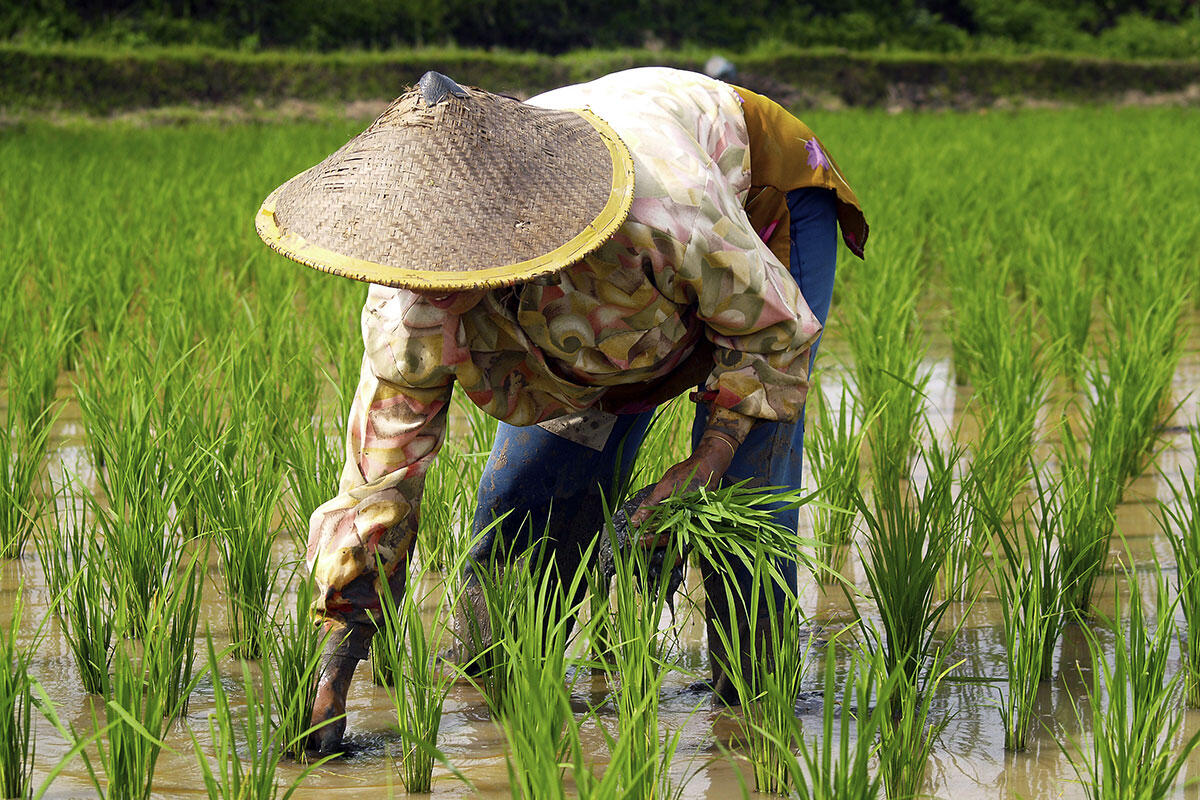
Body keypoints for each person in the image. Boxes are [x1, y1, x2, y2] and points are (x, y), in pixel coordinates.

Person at [255, 66, 867, 754]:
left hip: (751, 208)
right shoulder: (409, 296)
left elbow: (767, 337)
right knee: (524, 506)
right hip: (600, 323)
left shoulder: (668, 211)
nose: (430, 288)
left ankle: (754, 709)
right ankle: (495, 695)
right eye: (422, 263)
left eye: (452, 266)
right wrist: (333, 667)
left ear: (508, 236)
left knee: (744, 500)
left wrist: (706, 460)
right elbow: (381, 482)